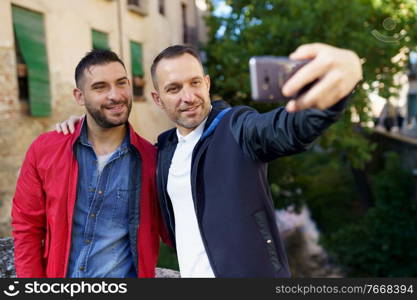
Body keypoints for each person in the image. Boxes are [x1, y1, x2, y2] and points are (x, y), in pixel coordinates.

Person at [57, 43, 362, 277]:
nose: (188, 97)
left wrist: (343, 80)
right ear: (158, 99)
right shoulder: (162, 151)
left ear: (207, 83)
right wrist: (86, 124)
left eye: (194, 83)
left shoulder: (238, 128)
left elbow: (291, 128)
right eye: (174, 89)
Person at [12, 49, 168, 278]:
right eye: (100, 87)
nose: (115, 95)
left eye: (121, 83)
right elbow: (27, 228)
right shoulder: (45, 150)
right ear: (79, 96)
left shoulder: (152, 160)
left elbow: (177, 230)